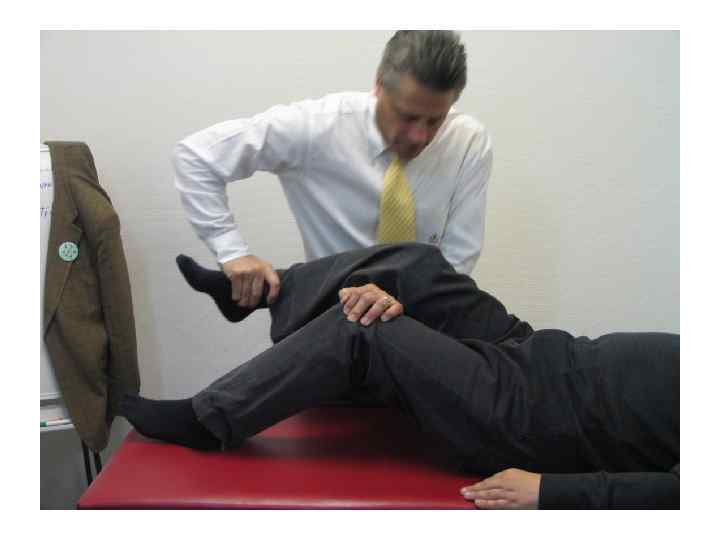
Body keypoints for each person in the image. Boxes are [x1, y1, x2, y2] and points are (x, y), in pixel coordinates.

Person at [121, 243, 679, 509]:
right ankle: (266, 292)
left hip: (532, 415)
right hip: (539, 352)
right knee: (418, 266)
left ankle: (208, 419)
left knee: (362, 327)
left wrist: (548, 491)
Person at [172, 31, 493, 326]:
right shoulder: (318, 127)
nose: (419, 136)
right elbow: (196, 156)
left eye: (435, 121)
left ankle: (265, 296)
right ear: (379, 85)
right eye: (407, 117)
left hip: (421, 311)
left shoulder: (467, 142)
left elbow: (458, 258)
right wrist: (232, 252)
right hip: (335, 316)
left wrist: (402, 299)